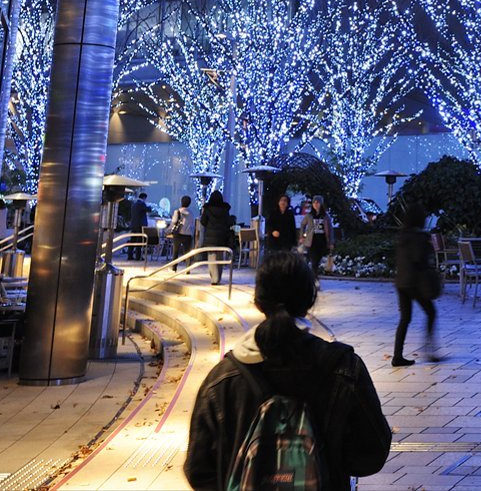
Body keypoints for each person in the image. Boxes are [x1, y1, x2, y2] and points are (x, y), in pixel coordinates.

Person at [185, 252, 392, 491]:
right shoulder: (344, 369)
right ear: (309, 302)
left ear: (258, 303)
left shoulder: (223, 379)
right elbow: (371, 454)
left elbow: (198, 471)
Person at [391, 203, 441, 366]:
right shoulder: (420, 237)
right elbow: (420, 259)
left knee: (405, 318)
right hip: (415, 282)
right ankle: (429, 350)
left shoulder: (402, 235)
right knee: (431, 312)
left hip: (401, 282)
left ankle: (397, 356)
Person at [303, 199, 334, 276]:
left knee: (317, 260)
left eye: (318, 203)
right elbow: (302, 225)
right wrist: (302, 236)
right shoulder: (309, 215)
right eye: (314, 203)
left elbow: (330, 229)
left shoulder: (325, 216)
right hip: (312, 241)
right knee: (314, 260)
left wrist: (331, 242)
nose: (316, 204)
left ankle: (314, 276)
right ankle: (314, 277)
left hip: (322, 240)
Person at [171, 194, 195, 260]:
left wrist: (167, 231)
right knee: (187, 253)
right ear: (189, 203)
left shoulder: (177, 212)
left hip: (178, 234)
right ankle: (188, 268)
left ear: (181, 202)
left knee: (175, 252)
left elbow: (173, 222)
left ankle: (174, 268)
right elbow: (192, 224)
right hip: (188, 234)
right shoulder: (191, 213)